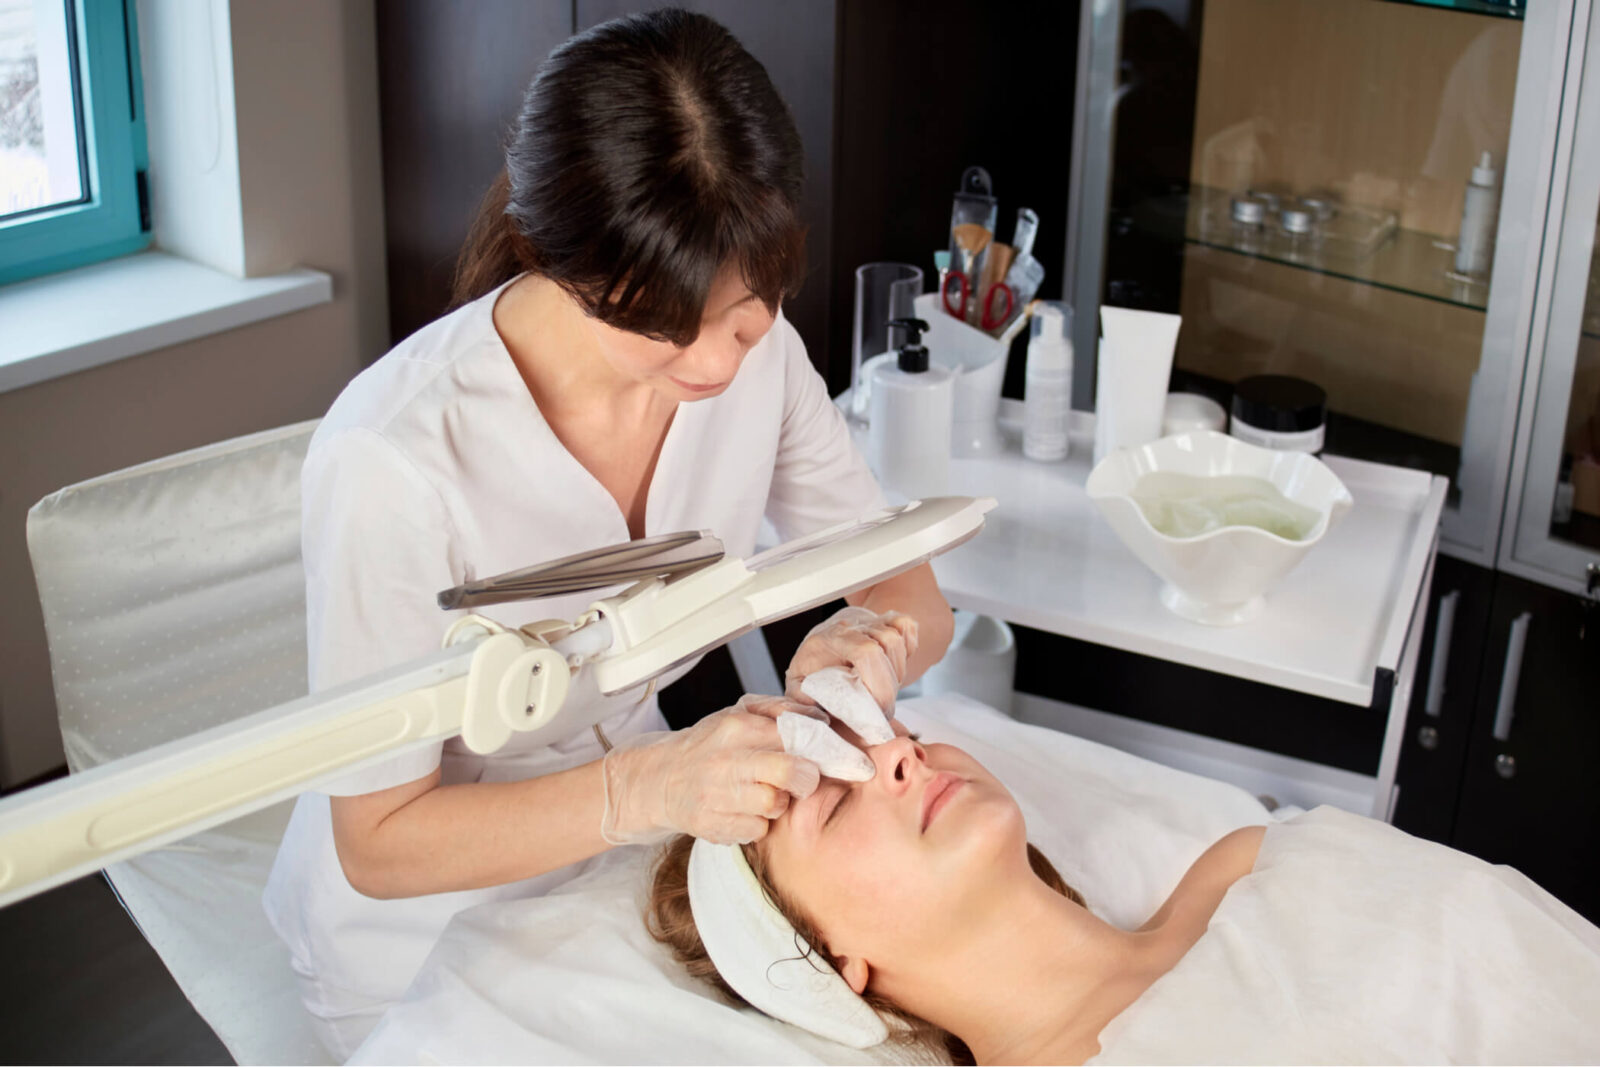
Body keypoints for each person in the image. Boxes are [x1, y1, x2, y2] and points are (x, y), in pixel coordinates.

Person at [262, 9, 953, 1056]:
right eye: (656, 325)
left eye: (746, 310)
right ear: (549, 257)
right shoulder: (393, 458)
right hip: (417, 933)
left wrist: (868, 652)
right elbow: (379, 841)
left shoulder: (759, 364)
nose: (714, 366)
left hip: (632, 870)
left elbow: (910, 596)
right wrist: (647, 784)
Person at [650, 734, 1600, 1065]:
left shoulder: (1253, 861)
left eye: (881, 738)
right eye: (835, 799)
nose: (900, 753)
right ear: (834, 971)